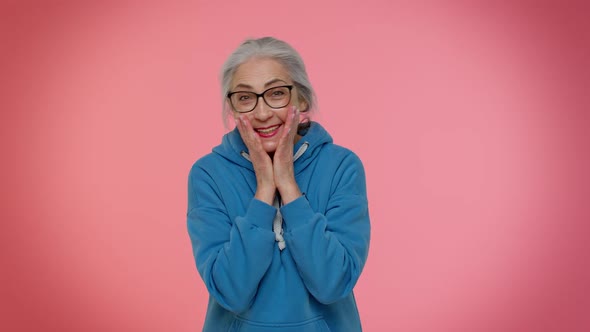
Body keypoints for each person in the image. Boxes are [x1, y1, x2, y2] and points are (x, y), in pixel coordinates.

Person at [187, 36, 371, 331]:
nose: (262, 114)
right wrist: (263, 190)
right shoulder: (208, 174)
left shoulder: (341, 166)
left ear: (302, 99)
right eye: (245, 98)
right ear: (232, 108)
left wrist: (287, 184)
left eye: (276, 94)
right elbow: (229, 292)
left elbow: (333, 284)